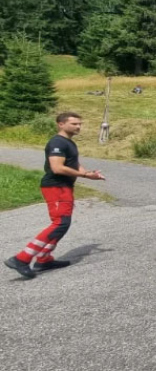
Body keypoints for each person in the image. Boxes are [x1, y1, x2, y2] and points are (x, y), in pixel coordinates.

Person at [5, 112, 105, 279]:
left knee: (62, 224)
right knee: (60, 223)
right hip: (56, 187)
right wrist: (86, 176)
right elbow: (57, 168)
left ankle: (44, 260)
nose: (78, 127)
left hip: (64, 187)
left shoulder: (68, 143)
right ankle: (21, 259)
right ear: (60, 124)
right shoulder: (57, 142)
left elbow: (74, 163)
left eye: (79, 124)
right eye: (74, 124)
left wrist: (89, 173)